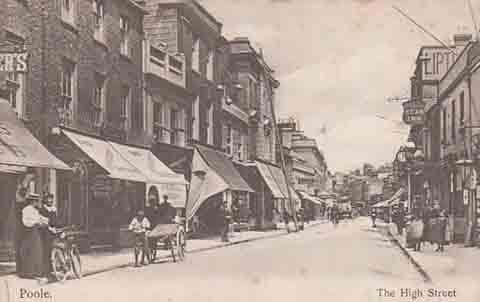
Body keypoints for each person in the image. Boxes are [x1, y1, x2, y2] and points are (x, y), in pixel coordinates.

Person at [18, 193, 50, 282]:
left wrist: (45, 220)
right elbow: (25, 221)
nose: (37, 203)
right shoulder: (26, 210)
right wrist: (36, 222)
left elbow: (39, 217)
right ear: (32, 201)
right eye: (36, 201)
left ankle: (35, 272)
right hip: (29, 232)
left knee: (37, 251)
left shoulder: (34, 210)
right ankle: (28, 273)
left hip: (36, 232)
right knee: (31, 251)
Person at [38, 193, 57, 277]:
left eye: (51, 199)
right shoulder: (42, 210)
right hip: (45, 232)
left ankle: (52, 268)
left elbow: (55, 220)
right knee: (46, 251)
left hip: (53, 231)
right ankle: (45, 271)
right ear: (45, 200)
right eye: (49, 199)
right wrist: (50, 227)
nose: (50, 200)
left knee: (54, 249)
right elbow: (43, 222)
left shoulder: (53, 209)